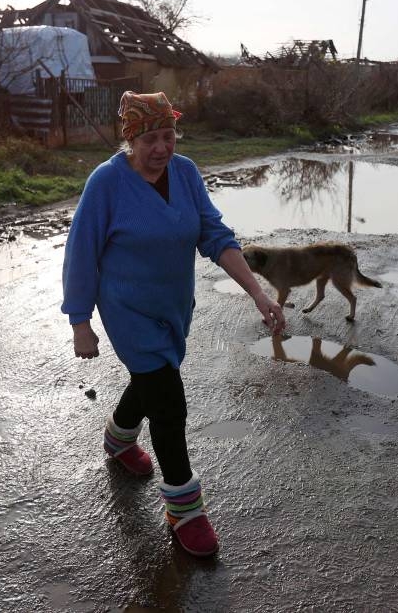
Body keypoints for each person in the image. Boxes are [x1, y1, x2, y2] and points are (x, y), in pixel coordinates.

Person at [61, 91, 286, 557]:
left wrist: (258, 292)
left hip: (172, 307)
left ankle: (119, 439)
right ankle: (185, 509)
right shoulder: (106, 183)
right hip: (127, 309)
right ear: (130, 140)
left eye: (168, 136)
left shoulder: (185, 173)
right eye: (149, 139)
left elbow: (214, 235)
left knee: (153, 379)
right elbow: (81, 250)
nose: (161, 147)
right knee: (168, 404)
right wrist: (80, 320)